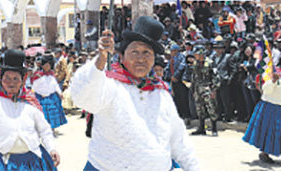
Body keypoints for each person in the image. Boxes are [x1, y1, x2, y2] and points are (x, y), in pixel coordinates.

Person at [71, 16, 199, 171]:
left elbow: (179, 141)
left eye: (147, 53)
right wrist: (101, 59)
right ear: (122, 55)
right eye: (135, 52)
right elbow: (83, 98)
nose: (141, 59)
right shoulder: (109, 84)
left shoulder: (161, 93)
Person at [0, 49, 60, 171]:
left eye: (16, 78)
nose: (11, 83)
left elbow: (44, 130)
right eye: (7, 78)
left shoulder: (30, 102)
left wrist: (51, 148)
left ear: (22, 81)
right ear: (1, 79)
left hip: (30, 163)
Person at [242, 50, 281, 163]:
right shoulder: (273, 72)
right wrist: (272, 81)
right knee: (269, 132)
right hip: (272, 105)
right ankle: (264, 153)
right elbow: (265, 90)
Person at [31, 54, 67, 134]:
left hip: (51, 97)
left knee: (53, 113)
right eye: (46, 65)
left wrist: (60, 93)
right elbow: (34, 87)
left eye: (49, 65)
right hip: (41, 98)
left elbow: (55, 85)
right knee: (43, 114)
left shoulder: (51, 74)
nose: (47, 67)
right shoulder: (38, 75)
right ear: (42, 66)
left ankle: (52, 128)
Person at [190, 45, 220, 136]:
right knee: (199, 108)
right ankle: (201, 128)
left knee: (211, 108)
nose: (195, 56)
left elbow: (216, 77)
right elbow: (194, 77)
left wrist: (214, 89)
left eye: (196, 54)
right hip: (198, 88)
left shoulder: (210, 63)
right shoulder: (195, 63)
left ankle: (214, 129)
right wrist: (194, 89)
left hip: (208, 88)